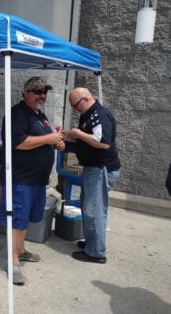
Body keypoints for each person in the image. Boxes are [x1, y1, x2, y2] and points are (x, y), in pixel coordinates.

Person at [1, 76, 64, 285]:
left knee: (26, 218)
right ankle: (13, 261)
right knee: (17, 219)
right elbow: (18, 143)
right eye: (38, 92)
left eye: (45, 91)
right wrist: (49, 139)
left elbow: (42, 140)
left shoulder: (40, 115)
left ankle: (21, 249)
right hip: (21, 178)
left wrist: (56, 143)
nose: (42, 95)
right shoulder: (16, 114)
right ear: (26, 92)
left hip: (37, 178)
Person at [65, 87, 120, 264]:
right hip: (92, 168)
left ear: (86, 99)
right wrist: (71, 137)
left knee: (94, 210)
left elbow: (103, 143)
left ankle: (96, 252)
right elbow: (88, 139)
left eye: (75, 105)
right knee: (88, 208)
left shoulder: (99, 115)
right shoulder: (88, 114)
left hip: (100, 169)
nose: (75, 109)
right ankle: (91, 243)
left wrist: (78, 134)